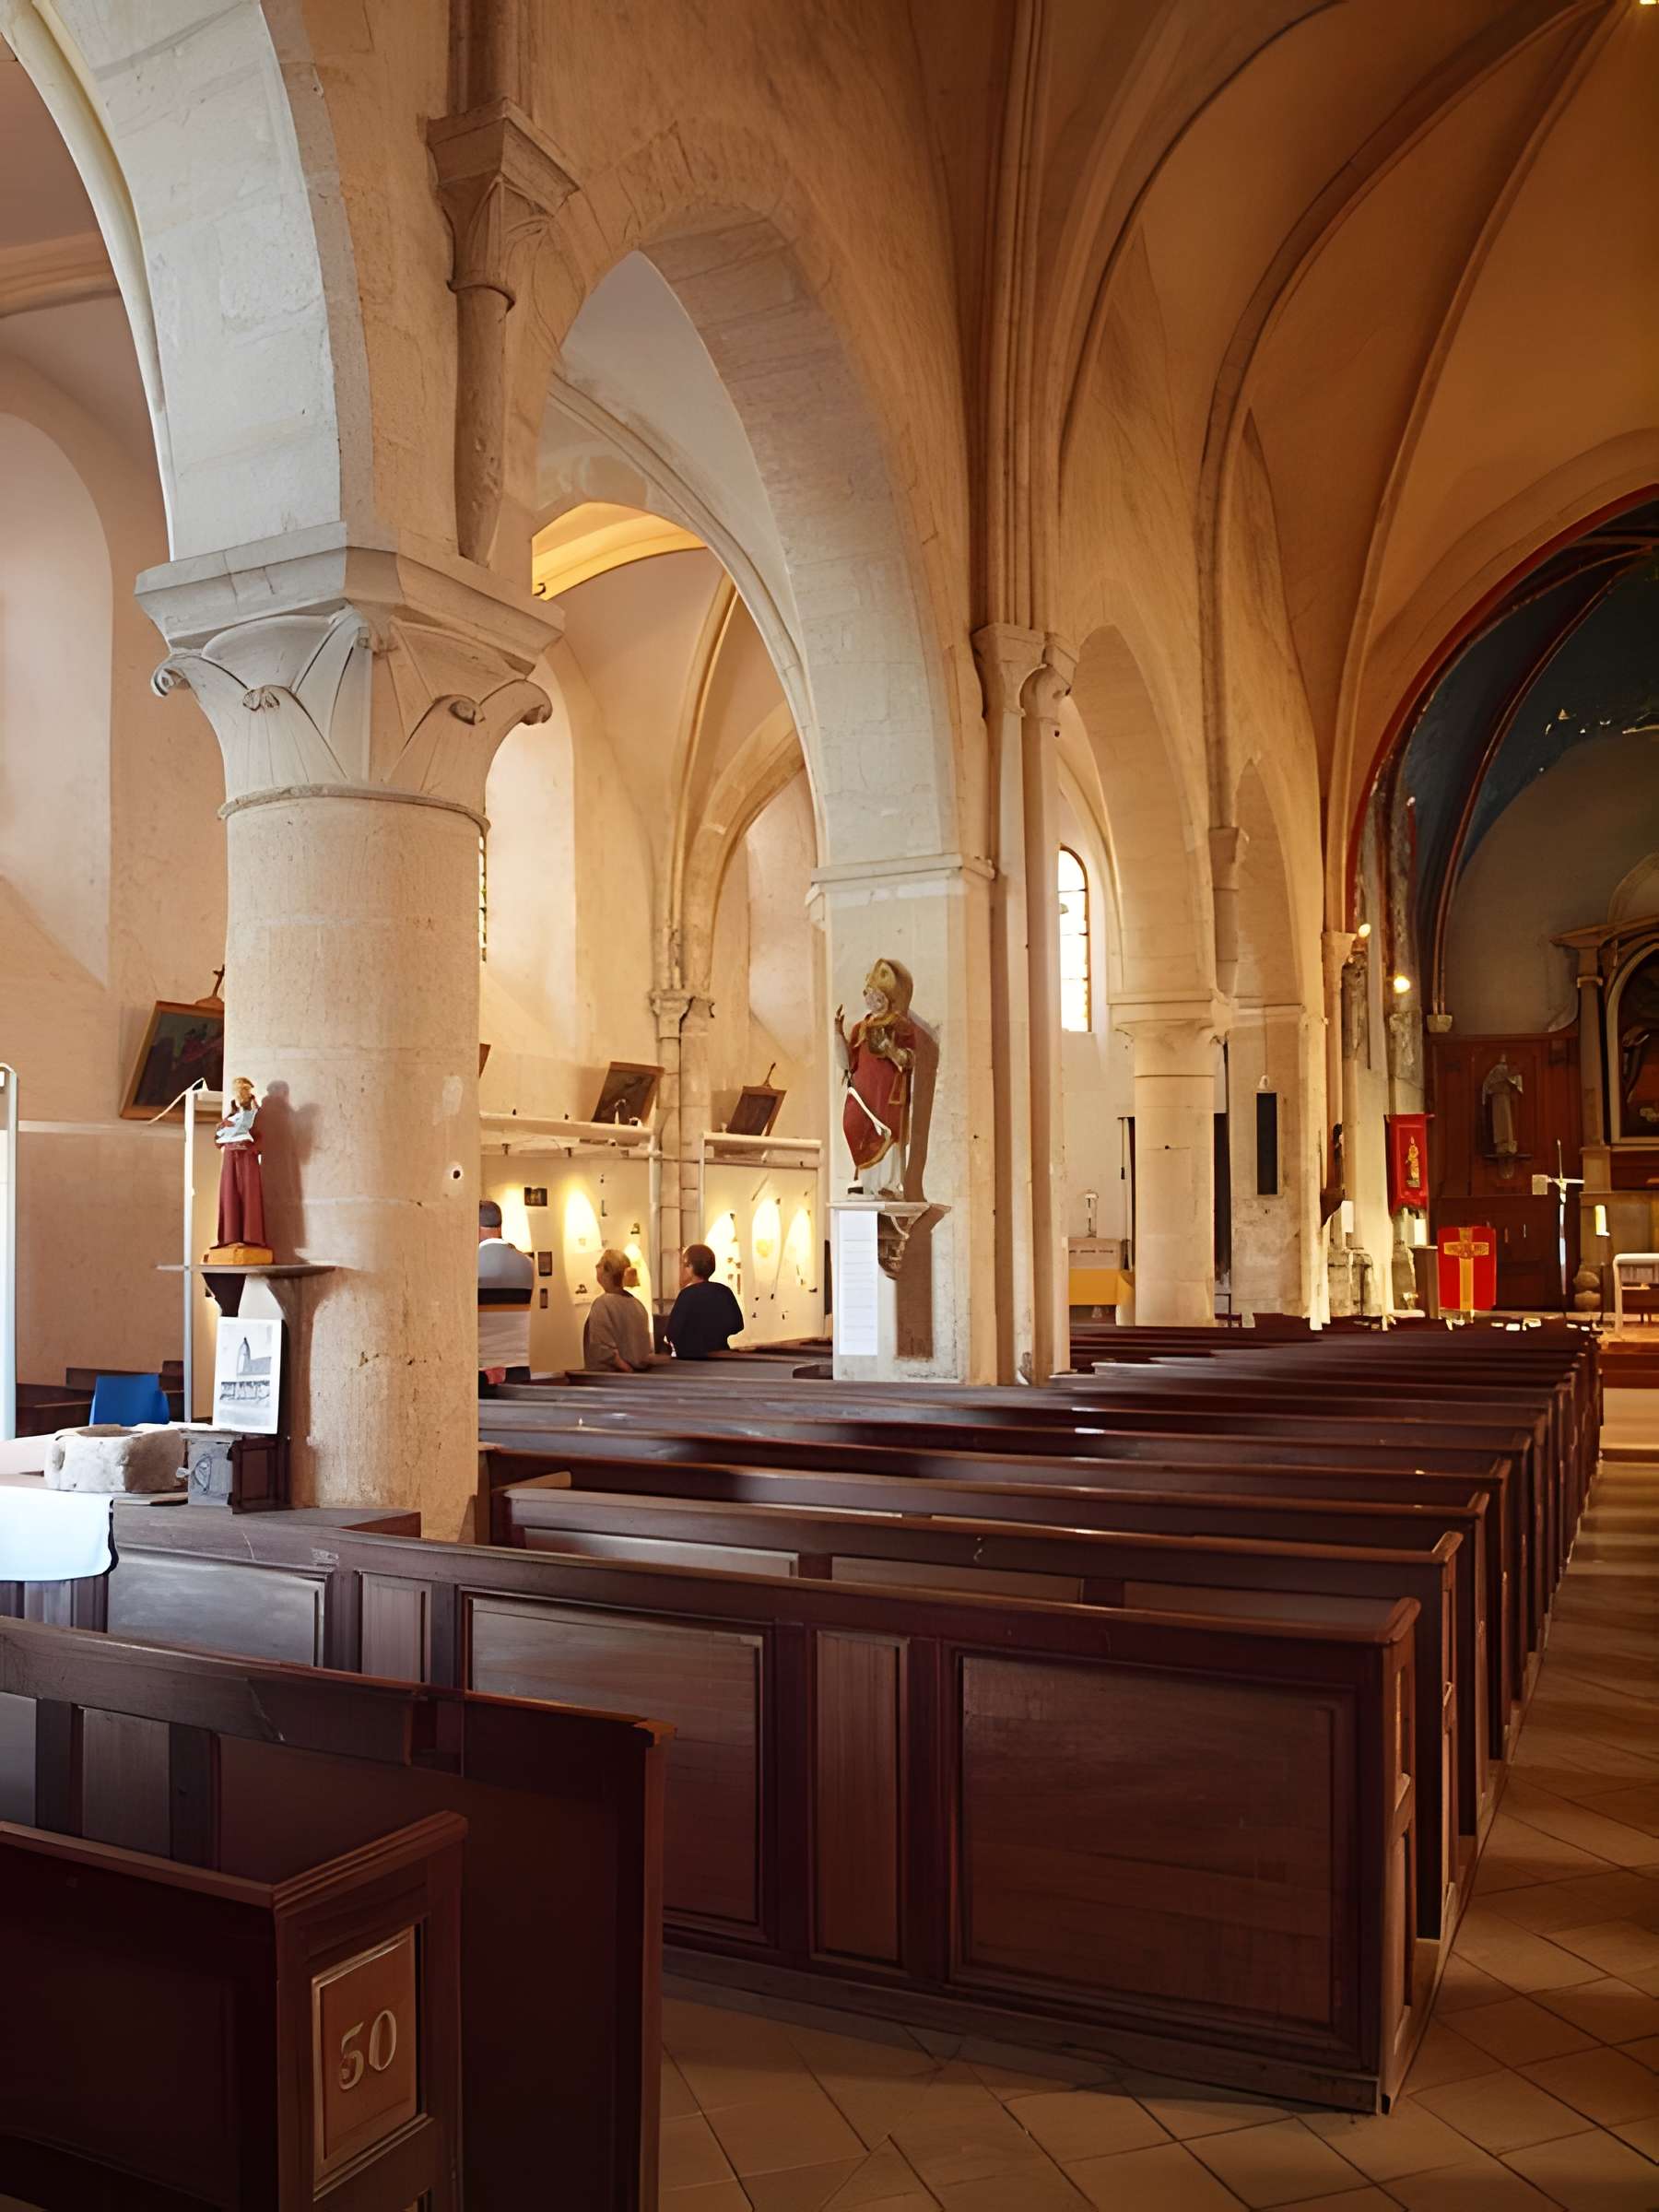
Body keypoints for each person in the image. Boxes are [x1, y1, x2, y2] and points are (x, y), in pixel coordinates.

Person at [477, 1199, 534, 1391]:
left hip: (482, 1371)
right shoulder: (527, 1263)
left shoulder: (472, 1262)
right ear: (500, 1226)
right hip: (518, 1367)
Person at [665, 1242, 745, 1359]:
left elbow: (672, 1331)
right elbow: (737, 1325)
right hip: (721, 1354)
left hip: (691, 1359)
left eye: (685, 1264)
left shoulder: (687, 1295)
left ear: (691, 1267)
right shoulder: (724, 1291)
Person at [583, 1247, 655, 1372]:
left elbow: (604, 1349)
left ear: (607, 1272)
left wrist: (627, 1372)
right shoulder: (638, 1305)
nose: (596, 1266)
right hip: (636, 1378)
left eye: (600, 1264)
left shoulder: (603, 1304)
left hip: (610, 1380)